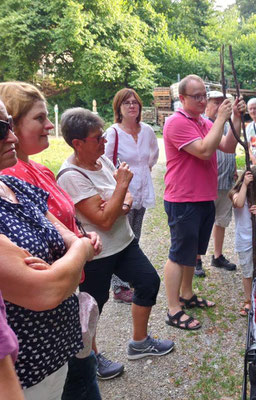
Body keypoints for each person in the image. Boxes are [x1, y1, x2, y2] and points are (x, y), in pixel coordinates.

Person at [0, 82, 105, 396]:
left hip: (56, 351)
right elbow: (45, 289)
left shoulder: (19, 187)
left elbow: (73, 238)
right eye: (2, 128)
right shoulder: (15, 178)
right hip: (26, 369)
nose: (13, 137)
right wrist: (79, 251)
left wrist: (67, 257)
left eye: (9, 127)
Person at [57, 108, 174, 379]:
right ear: (77, 143)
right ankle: (91, 359)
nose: (105, 141)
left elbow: (125, 200)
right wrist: (119, 192)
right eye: (98, 138)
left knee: (148, 282)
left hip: (124, 243)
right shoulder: (71, 175)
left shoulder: (102, 161)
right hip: (97, 254)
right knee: (93, 305)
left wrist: (116, 200)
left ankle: (140, 342)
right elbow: (105, 219)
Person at [163, 74, 245, 330]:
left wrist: (236, 119)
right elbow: (204, 151)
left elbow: (227, 146)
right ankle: (173, 308)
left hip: (204, 197)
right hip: (183, 198)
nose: (202, 100)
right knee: (178, 254)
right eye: (196, 96)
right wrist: (221, 117)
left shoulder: (203, 122)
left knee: (193, 252)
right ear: (182, 98)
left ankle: (186, 294)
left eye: (204, 96)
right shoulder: (176, 123)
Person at [104, 88, 159, 303]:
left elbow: (153, 156)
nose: (132, 106)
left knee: (135, 236)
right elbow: (106, 163)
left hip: (142, 189)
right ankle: (118, 286)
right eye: (126, 103)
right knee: (120, 236)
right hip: (122, 192)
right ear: (119, 107)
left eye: (135, 102)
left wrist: (144, 170)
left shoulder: (146, 131)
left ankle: (129, 277)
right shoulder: (113, 132)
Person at [229, 166, 256, 316]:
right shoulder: (236, 193)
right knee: (247, 271)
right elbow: (239, 204)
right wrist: (245, 185)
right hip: (244, 237)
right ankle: (248, 300)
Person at [204, 90, 237, 276]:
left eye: (222, 102)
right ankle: (197, 258)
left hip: (225, 181)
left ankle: (217, 256)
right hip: (208, 183)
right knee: (201, 223)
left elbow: (231, 149)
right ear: (207, 105)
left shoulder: (227, 124)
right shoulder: (204, 124)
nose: (219, 106)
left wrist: (233, 170)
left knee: (222, 220)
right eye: (215, 102)